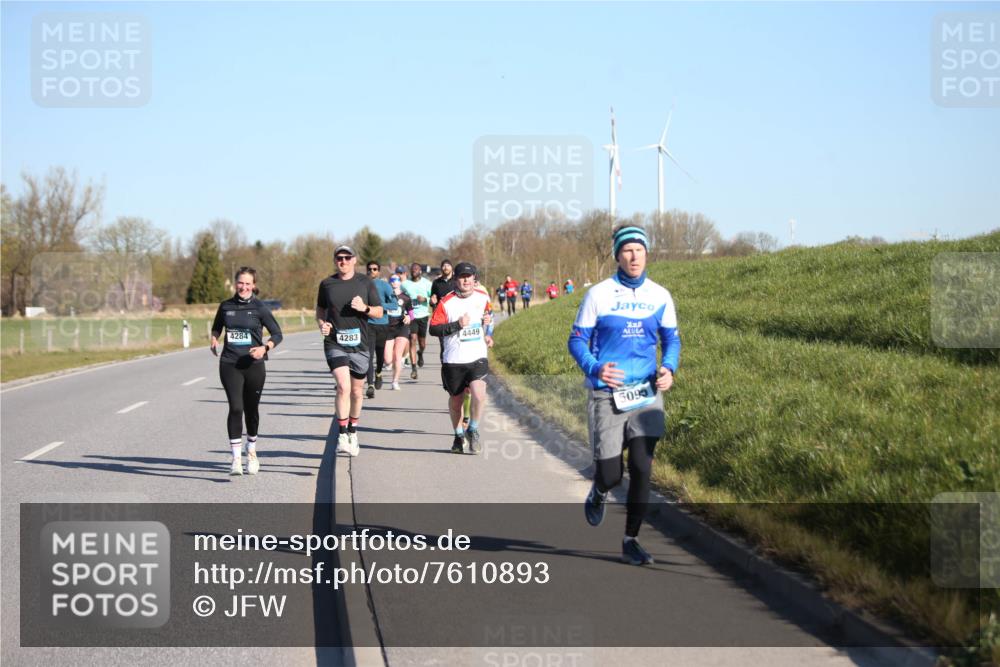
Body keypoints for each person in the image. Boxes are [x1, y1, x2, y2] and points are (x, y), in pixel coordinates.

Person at [567, 224, 680, 565]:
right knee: (612, 474)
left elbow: (671, 339)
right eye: (627, 250)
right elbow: (576, 340)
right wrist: (595, 368)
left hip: (646, 393)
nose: (634, 256)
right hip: (608, 394)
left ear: (646, 254)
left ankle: (631, 540)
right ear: (617, 255)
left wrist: (669, 368)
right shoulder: (599, 294)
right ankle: (599, 490)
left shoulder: (660, 295)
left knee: (643, 467)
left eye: (639, 250)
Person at [210, 267, 283, 476]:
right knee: (236, 408)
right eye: (240, 283)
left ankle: (251, 450)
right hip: (230, 363)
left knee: (251, 410)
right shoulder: (226, 306)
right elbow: (217, 326)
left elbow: (277, 334)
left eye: (248, 283)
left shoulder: (260, 308)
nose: (243, 287)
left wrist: (265, 348)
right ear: (236, 283)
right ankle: (235, 459)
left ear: (254, 285)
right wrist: (214, 338)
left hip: (254, 365)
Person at [316, 245, 384, 457]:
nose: (343, 261)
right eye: (339, 258)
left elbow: (379, 312)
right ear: (335, 260)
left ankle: (353, 431)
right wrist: (322, 324)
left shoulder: (366, 283)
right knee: (343, 387)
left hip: (360, 345)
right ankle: (342, 434)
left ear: (354, 260)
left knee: (356, 391)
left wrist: (364, 308)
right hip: (335, 343)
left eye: (347, 257)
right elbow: (320, 309)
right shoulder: (327, 284)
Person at [429, 262, 494, 454]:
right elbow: (433, 329)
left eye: (469, 276)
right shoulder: (446, 302)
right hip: (454, 359)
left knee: (479, 393)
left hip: (477, 355)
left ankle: (472, 429)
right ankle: (458, 435)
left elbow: (489, 315)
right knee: (456, 400)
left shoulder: (483, 297)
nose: (466, 280)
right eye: (462, 277)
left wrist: (488, 329)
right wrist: (456, 325)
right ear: (456, 280)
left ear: (474, 278)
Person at [364, 260, 396, 398]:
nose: (372, 271)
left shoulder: (385, 286)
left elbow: (394, 305)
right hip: (367, 324)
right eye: (370, 269)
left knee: (380, 354)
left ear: (379, 271)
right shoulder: (362, 284)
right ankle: (370, 385)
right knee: (369, 355)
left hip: (382, 324)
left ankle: (378, 372)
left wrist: (379, 305)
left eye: (375, 269)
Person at [401, 262, 433, 379]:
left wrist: (425, 299)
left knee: (422, 343)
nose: (414, 270)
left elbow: (433, 298)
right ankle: (414, 368)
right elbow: (400, 297)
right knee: (412, 339)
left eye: (416, 269)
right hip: (411, 316)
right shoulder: (405, 284)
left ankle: (420, 352)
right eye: (412, 269)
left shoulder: (427, 283)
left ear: (420, 271)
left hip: (423, 316)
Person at [385, 274, 414, 389]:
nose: (394, 282)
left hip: (401, 327)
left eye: (396, 280)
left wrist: (409, 317)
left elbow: (412, 314)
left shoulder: (405, 297)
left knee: (397, 356)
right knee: (388, 360)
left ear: (400, 282)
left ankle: (395, 381)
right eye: (392, 280)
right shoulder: (386, 296)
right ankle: (393, 364)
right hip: (388, 328)